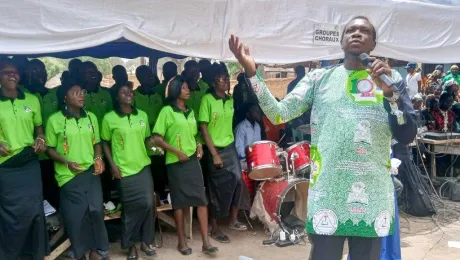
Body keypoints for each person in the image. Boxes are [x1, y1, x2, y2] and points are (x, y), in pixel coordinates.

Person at [229, 15, 417, 260]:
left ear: (373, 44)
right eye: (351, 30)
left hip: (371, 198)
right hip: (329, 194)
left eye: (364, 31)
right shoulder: (319, 80)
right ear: (341, 41)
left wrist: (391, 95)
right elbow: (278, 114)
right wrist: (252, 73)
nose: (356, 34)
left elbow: (406, 134)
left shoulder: (391, 81)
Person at [151, 76, 217, 256]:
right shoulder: (167, 111)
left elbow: (194, 134)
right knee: (179, 203)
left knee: (201, 200)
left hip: (192, 161)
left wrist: (197, 145)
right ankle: (181, 241)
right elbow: (157, 138)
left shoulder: (190, 111)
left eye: (188, 87)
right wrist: (176, 152)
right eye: (185, 87)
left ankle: (205, 241)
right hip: (176, 163)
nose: (188, 90)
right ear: (175, 90)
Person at [46, 80, 110, 260]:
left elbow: (97, 142)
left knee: (96, 210)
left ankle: (98, 250)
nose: (81, 95)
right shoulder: (55, 120)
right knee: (77, 215)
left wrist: (98, 158)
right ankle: (80, 251)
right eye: (75, 92)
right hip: (69, 174)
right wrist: (66, 162)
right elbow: (50, 149)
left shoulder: (91, 117)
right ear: (65, 98)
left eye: (82, 91)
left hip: (90, 172)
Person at [101, 83, 157, 259]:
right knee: (131, 209)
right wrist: (112, 166)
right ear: (116, 97)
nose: (128, 94)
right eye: (123, 92)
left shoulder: (142, 115)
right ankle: (131, 245)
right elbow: (105, 143)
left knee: (148, 204)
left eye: (130, 91)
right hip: (123, 170)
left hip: (142, 166)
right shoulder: (109, 118)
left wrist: (155, 146)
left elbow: (147, 139)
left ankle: (146, 242)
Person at [0, 59, 48, 259]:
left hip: (29, 161)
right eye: (6, 72)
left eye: (15, 72)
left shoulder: (31, 99)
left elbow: (39, 127)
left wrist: (40, 137)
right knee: (10, 213)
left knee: (34, 209)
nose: (12, 75)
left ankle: (34, 254)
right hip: (5, 165)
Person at [199, 66, 251, 241]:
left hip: (228, 146)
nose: (226, 81)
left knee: (237, 180)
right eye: (222, 78)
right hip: (214, 148)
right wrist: (213, 153)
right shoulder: (207, 99)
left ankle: (233, 219)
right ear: (214, 81)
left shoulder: (230, 100)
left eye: (227, 78)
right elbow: (204, 128)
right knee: (215, 188)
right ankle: (214, 227)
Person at [24, 59, 61, 208]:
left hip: (54, 153)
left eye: (41, 71)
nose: (38, 74)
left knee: (54, 192)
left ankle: (57, 227)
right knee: (36, 195)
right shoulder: (21, 95)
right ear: (25, 73)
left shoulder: (54, 95)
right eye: (33, 71)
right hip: (32, 156)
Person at [134, 65, 167, 199]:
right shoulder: (134, 97)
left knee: (159, 169)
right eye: (145, 74)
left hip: (157, 139)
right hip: (141, 141)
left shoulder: (157, 96)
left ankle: (161, 197)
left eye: (150, 73)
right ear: (139, 78)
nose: (149, 76)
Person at [79, 62, 113, 127]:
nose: (93, 75)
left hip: (104, 134)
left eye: (95, 72)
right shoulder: (77, 95)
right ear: (82, 75)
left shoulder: (105, 94)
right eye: (89, 72)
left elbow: (110, 115)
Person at [235, 103, 263, 168]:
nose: (258, 112)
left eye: (258, 110)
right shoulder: (241, 128)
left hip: (255, 159)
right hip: (243, 161)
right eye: (255, 110)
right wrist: (250, 156)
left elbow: (258, 145)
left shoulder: (257, 126)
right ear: (248, 114)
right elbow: (238, 149)